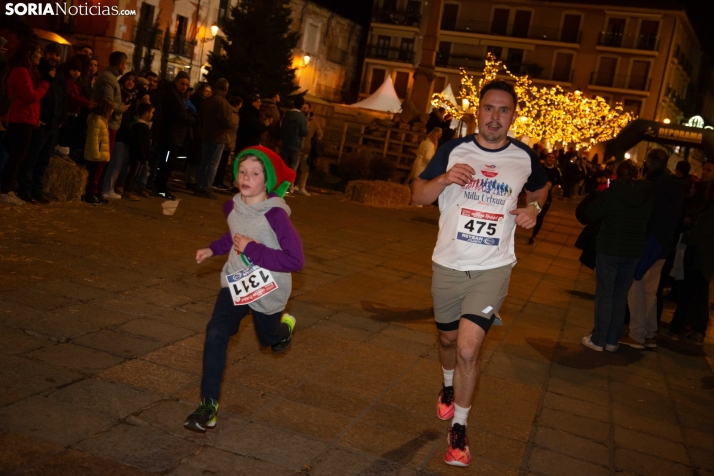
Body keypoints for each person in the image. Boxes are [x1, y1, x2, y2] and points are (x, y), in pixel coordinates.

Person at [411, 80, 548, 468]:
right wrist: (441, 180)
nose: (495, 117)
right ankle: (448, 386)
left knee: (469, 348)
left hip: (493, 267)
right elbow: (417, 195)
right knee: (447, 338)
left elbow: (541, 189)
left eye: (504, 111)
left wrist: (534, 211)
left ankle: (459, 430)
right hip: (448, 264)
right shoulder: (454, 150)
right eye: (489, 109)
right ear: (478, 112)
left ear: (513, 117)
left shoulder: (524, 157)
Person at [183, 146, 304, 432]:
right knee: (216, 331)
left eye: (255, 173)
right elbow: (232, 234)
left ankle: (283, 328)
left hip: (268, 288)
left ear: (267, 180)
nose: (246, 178)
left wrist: (254, 249)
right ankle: (208, 405)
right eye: (242, 171)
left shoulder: (276, 217)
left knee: (269, 340)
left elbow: (295, 260)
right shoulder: (233, 205)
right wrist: (212, 249)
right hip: (236, 282)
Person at [580, 160, 652, 352]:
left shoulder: (612, 194)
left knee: (605, 294)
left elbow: (591, 214)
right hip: (633, 251)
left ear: (616, 174)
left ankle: (598, 339)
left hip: (610, 248)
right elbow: (648, 219)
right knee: (620, 296)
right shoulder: (646, 195)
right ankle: (612, 340)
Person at [620, 149, 684, 349]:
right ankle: (649, 333)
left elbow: (642, 213)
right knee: (650, 291)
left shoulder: (650, 186)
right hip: (665, 245)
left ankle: (637, 334)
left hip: (648, 242)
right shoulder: (675, 186)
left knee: (635, 286)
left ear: (648, 163)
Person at [16, 42, 67, 204]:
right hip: (41, 122)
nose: (54, 57)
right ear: (45, 55)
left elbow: (62, 98)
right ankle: (24, 189)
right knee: (32, 158)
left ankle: (37, 190)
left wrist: (62, 119)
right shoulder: (39, 71)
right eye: (51, 54)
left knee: (43, 160)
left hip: (53, 125)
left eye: (57, 55)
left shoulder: (59, 75)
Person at [0, 40, 50, 206]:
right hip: (19, 119)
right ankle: (5, 191)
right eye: (38, 52)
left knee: (15, 156)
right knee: (16, 157)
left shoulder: (26, 71)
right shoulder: (21, 71)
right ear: (29, 54)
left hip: (25, 118)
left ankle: (7, 189)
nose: (40, 56)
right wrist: (45, 83)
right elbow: (30, 97)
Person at [664, 181, 714, 344]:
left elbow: (697, 235)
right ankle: (697, 331)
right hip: (707, 261)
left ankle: (676, 329)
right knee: (700, 297)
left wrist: (685, 234)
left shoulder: (710, 213)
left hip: (699, 259)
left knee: (687, 295)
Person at [154, 71, 195, 200]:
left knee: (168, 163)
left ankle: (162, 186)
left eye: (186, 84)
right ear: (176, 82)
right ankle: (160, 188)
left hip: (174, 135)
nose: (184, 87)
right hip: (171, 135)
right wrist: (192, 118)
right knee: (166, 163)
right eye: (182, 83)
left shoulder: (177, 95)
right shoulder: (173, 95)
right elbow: (182, 115)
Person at [196, 78, 234, 199]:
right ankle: (206, 187)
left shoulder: (208, 100)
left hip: (206, 133)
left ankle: (199, 186)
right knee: (213, 163)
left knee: (204, 161)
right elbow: (227, 121)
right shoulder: (223, 103)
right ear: (226, 89)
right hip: (218, 136)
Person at [101, 71, 137, 199]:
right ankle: (107, 188)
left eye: (133, 80)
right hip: (118, 132)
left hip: (123, 134)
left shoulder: (132, 98)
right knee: (114, 163)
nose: (130, 82)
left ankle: (109, 187)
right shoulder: (119, 95)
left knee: (118, 163)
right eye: (128, 79)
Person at [91, 51, 131, 154]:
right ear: (120, 64)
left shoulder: (110, 77)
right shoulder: (108, 78)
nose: (125, 67)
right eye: (125, 64)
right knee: (101, 157)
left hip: (109, 123)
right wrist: (123, 108)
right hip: (108, 123)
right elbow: (108, 102)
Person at [58, 54, 95, 162]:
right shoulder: (67, 82)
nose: (76, 73)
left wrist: (87, 101)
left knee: (68, 134)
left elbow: (79, 95)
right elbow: (71, 96)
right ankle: (62, 152)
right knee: (65, 134)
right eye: (74, 70)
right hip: (68, 111)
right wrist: (86, 102)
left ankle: (64, 153)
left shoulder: (76, 83)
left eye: (79, 71)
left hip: (74, 112)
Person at [83, 98, 114, 204]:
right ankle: (88, 194)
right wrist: (96, 153)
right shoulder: (97, 121)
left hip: (98, 153)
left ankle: (94, 193)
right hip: (95, 154)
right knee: (91, 176)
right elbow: (94, 138)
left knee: (96, 175)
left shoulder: (102, 121)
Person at [122, 102, 154, 200]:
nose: (152, 115)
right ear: (146, 113)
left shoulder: (143, 125)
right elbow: (140, 143)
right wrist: (143, 155)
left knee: (136, 173)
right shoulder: (139, 126)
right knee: (133, 173)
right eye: (151, 112)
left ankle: (130, 190)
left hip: (141, 155)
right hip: (137, 155)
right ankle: (127, 191)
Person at [529, 151, 562, 244]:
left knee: (541, 216)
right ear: (546, 159)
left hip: (547, 197)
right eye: (549, 157)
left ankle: (533, 235)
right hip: (535, 195)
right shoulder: (540, 169)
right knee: (533, 213)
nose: (551, 159)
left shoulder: (556, 171)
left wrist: (553, 185)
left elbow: (560, 183)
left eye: (553, 158)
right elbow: (531, 178)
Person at [185, 82, 211, 192]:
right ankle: (190, 180)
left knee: (196, 156)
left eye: (210, 92)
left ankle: (191, 180)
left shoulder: (203, 102)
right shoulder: (200, 102)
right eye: (206, 91)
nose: (209, 94)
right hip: (197, 131)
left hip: (199, 131)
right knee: (195, 156)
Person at [279, 96, 308, 191]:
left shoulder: (287, 115)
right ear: (302, 105)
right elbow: (304, 132)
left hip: (286, 142)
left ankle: (278, 183)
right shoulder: (302, 117)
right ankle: (288, 186)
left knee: (282, 164)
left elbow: (282, 128)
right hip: (296, 144)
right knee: (292, 166)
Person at [213, 96, 242, 191]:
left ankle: (217, 180)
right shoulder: (233, 113)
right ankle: (218, 181)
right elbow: (232, 126)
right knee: (221, 162)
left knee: (222, 162)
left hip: (227, 140)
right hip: (227, 140)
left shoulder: (231, 112)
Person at [295, 101, 324, 196]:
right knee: (294, 169)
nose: (304, 109)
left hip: (306, 149)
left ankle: (301, 186)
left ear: (309, 109)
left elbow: (320, 134)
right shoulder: (299, 119)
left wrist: (313, 142)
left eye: (306, 108)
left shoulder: (314, 123)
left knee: (305, 169)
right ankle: (291, 186)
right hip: (297, 147)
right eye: (303, 107)